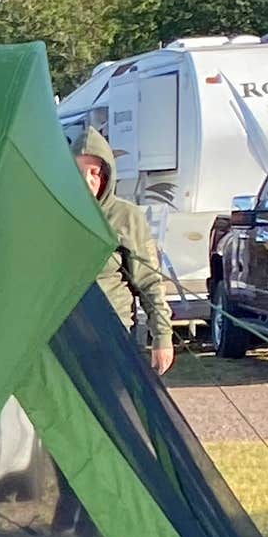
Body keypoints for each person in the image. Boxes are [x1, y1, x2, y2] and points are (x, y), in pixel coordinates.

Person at [74, 121, 176, 377]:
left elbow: (150, 280)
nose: (87, 180)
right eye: (79, 171)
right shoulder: (54, 214)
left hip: (113, 333)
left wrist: (162, 337)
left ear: (107, 174)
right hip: (66, 337)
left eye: (95, 172)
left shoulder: (125, 216)